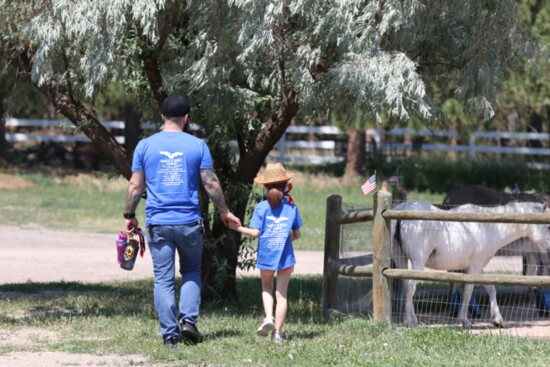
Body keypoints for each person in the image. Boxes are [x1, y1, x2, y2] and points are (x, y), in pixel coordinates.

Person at [123, 95, 241, 348]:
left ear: (162, 117)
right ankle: (188, 321)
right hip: (189, 223)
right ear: (186, 118)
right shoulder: (197, 146)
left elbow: (135, 186)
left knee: (163, 279)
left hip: (159, 223)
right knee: (190, 271)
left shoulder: (145, 146)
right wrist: (224, 211)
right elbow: (210, 182)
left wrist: (129, 216)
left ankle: (170, 336)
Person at [229, 163, 302, 343]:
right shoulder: (291, 207)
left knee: (267, 287)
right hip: (285, 257)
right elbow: (297, 234)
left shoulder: (261, 207)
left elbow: (255, 233)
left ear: (265, 186)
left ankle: (268, 317)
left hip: (267, 256)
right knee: (282, 294)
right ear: (286, 185)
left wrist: (237, 228)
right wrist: (284, 239)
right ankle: (277, 334)